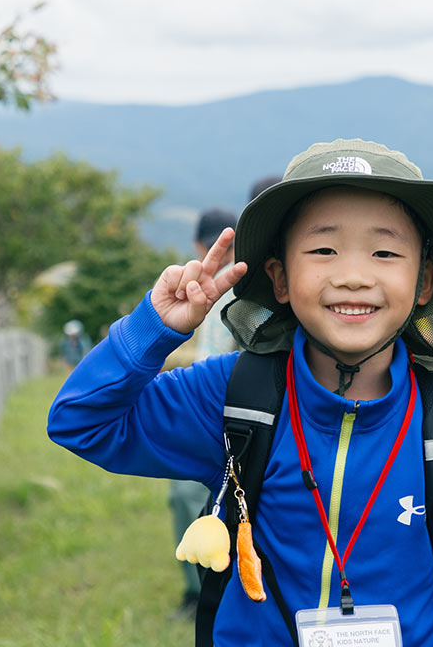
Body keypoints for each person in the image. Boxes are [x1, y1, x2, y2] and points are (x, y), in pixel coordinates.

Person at [47, 139, 433, 647]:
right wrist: (153, 330)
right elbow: (80, 421)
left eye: (385, 252)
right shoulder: (233, 397)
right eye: (323, 250)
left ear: (424, 282)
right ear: (280, 277)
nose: (354, 276)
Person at [167, 207, 240, 620]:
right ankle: (203, 589)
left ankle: (207, 591)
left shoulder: (244, 286)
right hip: (208, 401)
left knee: (195, 496)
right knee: (193, 496)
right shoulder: (201, 286)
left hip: (230, 408)